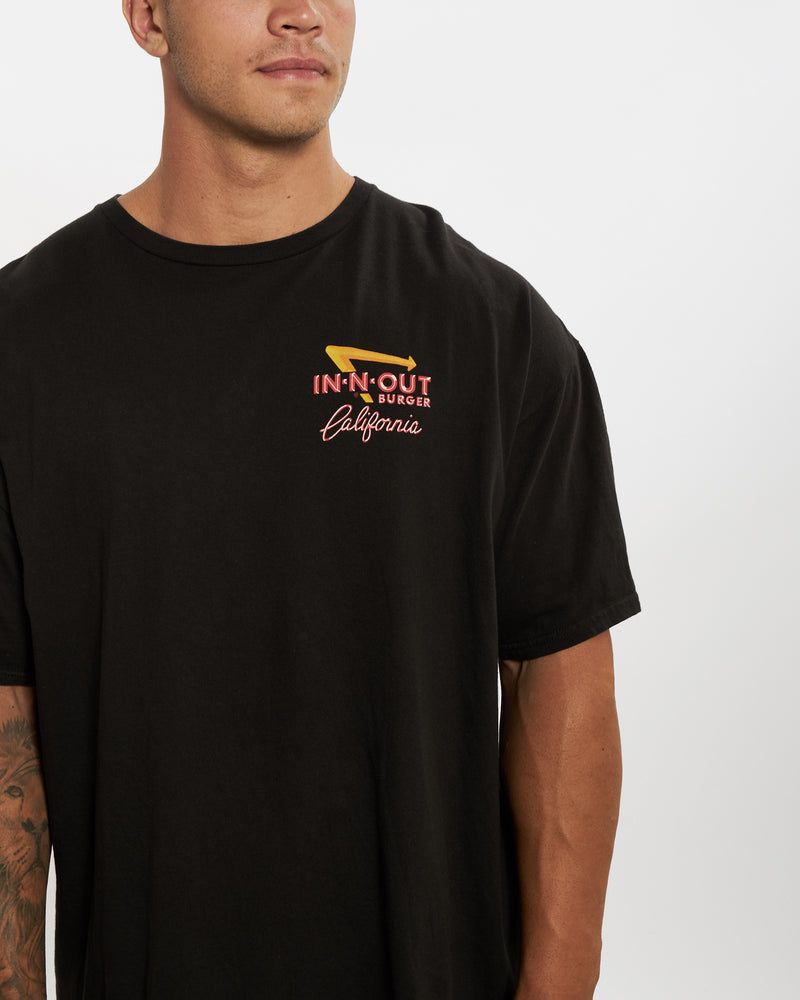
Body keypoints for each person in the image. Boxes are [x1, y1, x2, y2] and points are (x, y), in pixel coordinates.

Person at [0, 1, 641, 998]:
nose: (301, 13)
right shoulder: (25, 346)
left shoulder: (492, 332)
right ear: (148, 16)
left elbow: (559, 676)